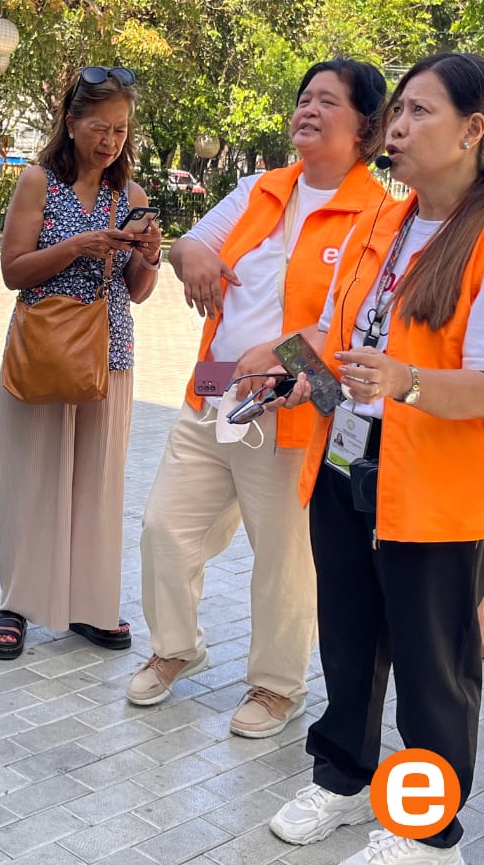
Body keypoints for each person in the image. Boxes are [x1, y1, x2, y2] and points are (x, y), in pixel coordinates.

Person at [269, 52, 484, 865]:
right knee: (350, 636)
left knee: (434, 669)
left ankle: (431, 833)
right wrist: (304, 384)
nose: (396, 129)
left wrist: (408, 382)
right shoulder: (382, 224)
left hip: (436, 487)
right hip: (346, 465)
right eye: (396, 113)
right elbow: (340, 342)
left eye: (419, 114)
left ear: (475, 130)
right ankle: (340, 777)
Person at [128, 60, 389, 739]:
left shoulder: (381, 215)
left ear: (365, 126)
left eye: (327, 101)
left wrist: (277, 354)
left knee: (284, 556)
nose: (307, 109)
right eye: (304, 97)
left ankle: (277, 687)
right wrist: (196, 260)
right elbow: (191, 245)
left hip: (303, 402)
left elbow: (351, 322)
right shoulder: (260, 187)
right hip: (213, 387)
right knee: (165, 528)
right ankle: (177, 647)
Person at [0, 65, 163, 659]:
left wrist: (150, 256)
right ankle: (17, 604)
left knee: (98, 481)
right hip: (44, 350)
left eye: (119, 129)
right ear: (71, 121)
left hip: (108, 354)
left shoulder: (129, 196)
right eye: (99, 126)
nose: (110, 140)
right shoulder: (39, 181)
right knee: (33, 478)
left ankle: (90, 605)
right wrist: (76, 247)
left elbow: (136, 291)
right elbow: (13, 270)